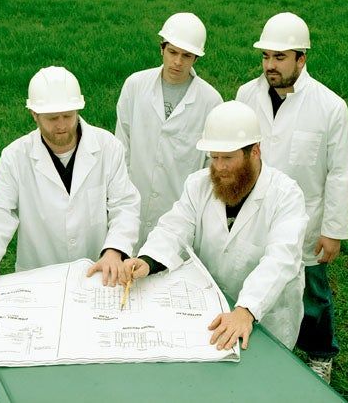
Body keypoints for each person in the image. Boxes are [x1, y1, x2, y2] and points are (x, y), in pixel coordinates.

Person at [121, 101, 308, 351]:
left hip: (265, 318)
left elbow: (281, 260)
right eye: (214, 157)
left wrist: (246, 309)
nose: (219, 167)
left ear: (255, 151)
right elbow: (174, 228)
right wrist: (148, 260)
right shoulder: (199, 184)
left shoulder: (286, 196)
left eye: (228, 158)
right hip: (210, 310)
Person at [0, 66, 141, 309]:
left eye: (68, 116)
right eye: (52, 118)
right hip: (38, 274)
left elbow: (124, 204)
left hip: (96, 270)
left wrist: (114, 250)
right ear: (34, 114)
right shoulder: (15, 156)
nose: (61, 125)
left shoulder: (108, 147)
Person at [236, 12, 348, 383]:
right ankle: (265, 350)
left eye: (280, 57)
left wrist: (333, 230)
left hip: (307, 222)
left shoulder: (329, 107)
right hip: (256, 215)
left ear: (301, 59)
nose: (270, 65)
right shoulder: (245, 96)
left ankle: (320, 354)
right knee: (260, 283)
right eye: (266, 56)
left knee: (313, 295)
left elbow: (339, 172)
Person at [115, 12, 222, 247]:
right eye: (173, 52)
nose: (178, 62)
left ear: (196, 58)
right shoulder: (135, 86)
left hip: (179, 214)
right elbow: (122, 146)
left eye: (186, 55)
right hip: (132, 206)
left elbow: (210, 166)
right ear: (161, 49)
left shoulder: (210, 101)